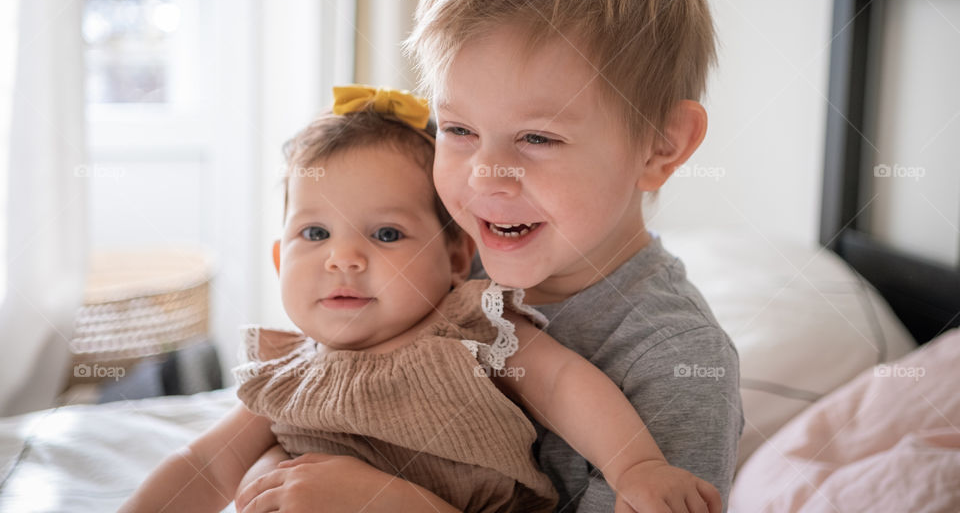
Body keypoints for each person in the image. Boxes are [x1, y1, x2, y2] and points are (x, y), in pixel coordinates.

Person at [234, 0, 744, 512]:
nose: (487, 177)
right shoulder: (455, 254)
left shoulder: (678, 363)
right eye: (459, 131)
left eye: (538, 137)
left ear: (661, 146)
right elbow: (333, 382)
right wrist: (269, 469)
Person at [120, 87, 722, 513]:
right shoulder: (292, 376)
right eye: (314, 234)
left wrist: (636, 467)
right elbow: (202, 467)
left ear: (458, 258)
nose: (343, 258)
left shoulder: (472, 328)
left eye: (386, 235)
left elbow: (565, 386)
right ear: (280, 261)